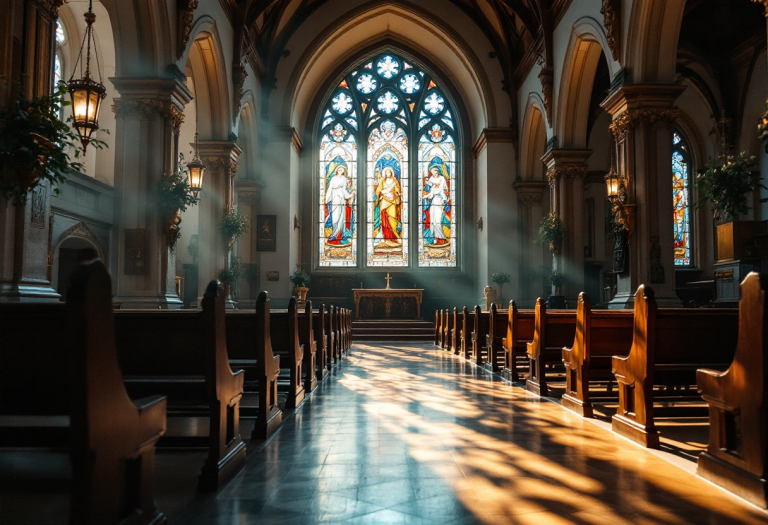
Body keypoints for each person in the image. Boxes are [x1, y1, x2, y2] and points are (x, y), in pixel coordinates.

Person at [324, 164, 355, 245]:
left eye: (342, 170)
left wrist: (349, 195)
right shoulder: (333, 178)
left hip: (342, 199)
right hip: (335, 198)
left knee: (342, 217)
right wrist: (327, 198)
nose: (340, 171)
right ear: (337, 170)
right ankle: (334, 234)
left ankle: (341, 234)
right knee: (335, 217)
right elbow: (330, 188)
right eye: (339, 170)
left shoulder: (344, 179)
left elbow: (344, 190)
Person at [374, 167, 402, 246]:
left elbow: (398, 191)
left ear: (391, 173)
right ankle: (385, 237)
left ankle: (395, 237)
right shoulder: (382, 181)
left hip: (392, 201)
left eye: (389, 172)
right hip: (384, 201)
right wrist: (382, 193)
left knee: (392, 218)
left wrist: (394, 192)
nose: (388, 174)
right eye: (386, 173)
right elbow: (378, 191)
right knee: (384, 218)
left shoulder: (395, 181)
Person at [422, 162, 450, 245]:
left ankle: (441, 238)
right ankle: (434, 238)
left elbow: (443, 190)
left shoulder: (441, 179)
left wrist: (437, 190)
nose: (434, 173)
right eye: (433, 171)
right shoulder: (432, 183)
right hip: (433, 202)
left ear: (438, 172)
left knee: (438, 220)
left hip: (439, 201)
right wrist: (425, 196)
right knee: (433, 221)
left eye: (436, 171)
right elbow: (430, 193)